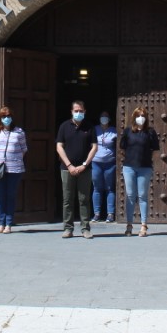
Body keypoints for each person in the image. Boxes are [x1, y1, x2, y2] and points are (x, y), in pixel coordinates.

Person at [55, 99, 97, 238]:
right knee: (67, 199)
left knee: (84, 199)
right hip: (67, 169)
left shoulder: (89, 127)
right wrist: (69, 165)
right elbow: (59, 146)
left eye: (81, 111)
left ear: (85, 112)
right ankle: (68, 228)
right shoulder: (64, 126)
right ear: (72, 112)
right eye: (76, 111)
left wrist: (84, 165)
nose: (78, 113)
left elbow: (94, 147)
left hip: (85, 169)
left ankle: (85, 228)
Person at [0, 105, 27, 233]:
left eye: (8, 116)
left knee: (10, 195)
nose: (6, 118)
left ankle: (9, 223)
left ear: (12, 117)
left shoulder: (19, 132)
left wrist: (14, 158)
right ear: (0, 118)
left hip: (14, 169)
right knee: (0, 195)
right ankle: (1, 223)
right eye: (4, 116)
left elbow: (23, 149)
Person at [120, 107, 159, 237]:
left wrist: (148, 160)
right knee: (130, 195)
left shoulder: (150, 132)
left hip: (145, 167)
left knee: (142, 196)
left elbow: (154, 149)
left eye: (143, 115)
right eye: (138, 115)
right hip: (129, 167)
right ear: (134, 117)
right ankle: (129, 225)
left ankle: (143, 225)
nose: (141, 117)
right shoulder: (127, 131)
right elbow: (123, 148)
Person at [91, 110, 118, 223]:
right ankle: (96, 214)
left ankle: (110, 214)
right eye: (102, 116)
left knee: (110, 188)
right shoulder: (94, 129)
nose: (104, 118)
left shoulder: (114, 130)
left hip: (110, 162)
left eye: (106, 116)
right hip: (96, 162)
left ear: (109, 119)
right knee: (97, 188)